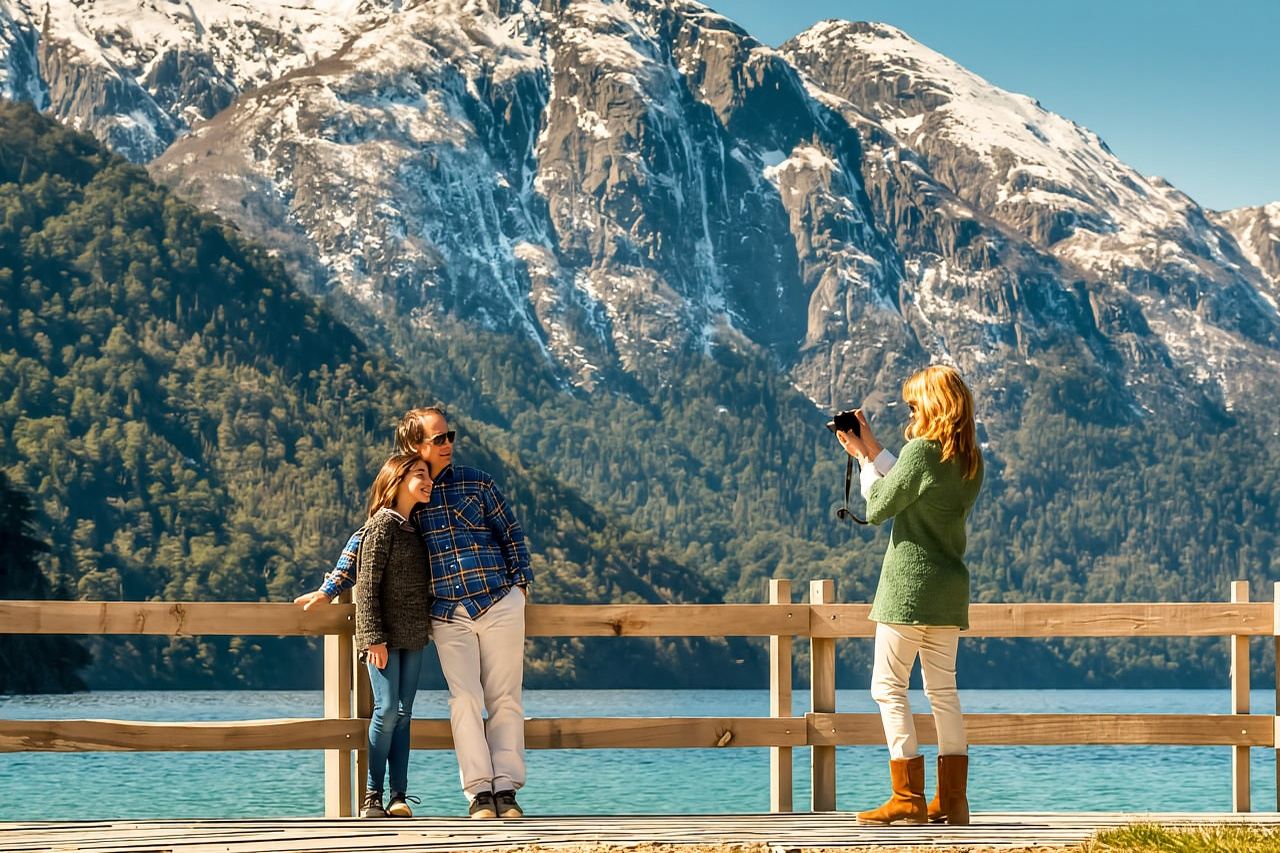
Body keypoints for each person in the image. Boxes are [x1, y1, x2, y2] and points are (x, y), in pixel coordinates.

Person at [296, 406, 533, 819]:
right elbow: (364, 540)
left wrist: (521, 587)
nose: (448, 445)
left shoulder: (477, 483)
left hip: (498, 600)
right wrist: (330, 587)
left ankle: (506, 790)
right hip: (446, 612)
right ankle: (479, 794)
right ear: (414, 446)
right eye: (438, 439)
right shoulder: (411, 493)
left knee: (505, 700)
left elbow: (510, 532)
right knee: (463, 699)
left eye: (449, 436)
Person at [835, 364, 983, 827]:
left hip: (909, 588)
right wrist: (872, 447)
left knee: (888, 688)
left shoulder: (920, 452)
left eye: (917, 402)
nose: (911, 410)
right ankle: (953, 802)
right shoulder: (968, 461)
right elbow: (913, 489)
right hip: (948, 591)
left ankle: (908, 798)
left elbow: (880, 507)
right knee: (943, 692)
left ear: (935, 405)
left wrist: (862, 460)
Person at [351, 453, 434, 818]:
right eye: (420, 474)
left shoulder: (415, 528)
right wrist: (372, 637)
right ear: (397, 480)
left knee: (404, 713)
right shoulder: (381, 525)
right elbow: (366, 585)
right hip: (382, 637)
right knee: (385, 710)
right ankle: (372, 795)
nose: (428, 480)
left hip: (414, 634)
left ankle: (399, 797)